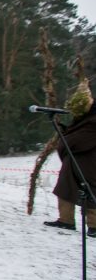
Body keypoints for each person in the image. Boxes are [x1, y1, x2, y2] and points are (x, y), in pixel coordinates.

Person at [44, 80, 96, 235]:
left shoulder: (93, 121)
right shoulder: (86, 118)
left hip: (89, 161)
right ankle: (65, 220)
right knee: (65, 187)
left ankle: (94, 225)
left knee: (91, 189)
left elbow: (79, 140)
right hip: (74, 160)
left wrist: (67, 138)